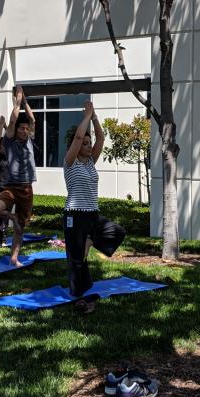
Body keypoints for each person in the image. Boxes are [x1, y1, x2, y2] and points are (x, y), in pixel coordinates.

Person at [62, 100, 125, 313]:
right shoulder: (70, 161)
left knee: (116, 232)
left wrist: (95, 116)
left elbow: (102, 138)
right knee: (77, 260)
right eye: (84, 144)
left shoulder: (90, 162)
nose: (88, 146)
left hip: (92, 215)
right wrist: (86, 116)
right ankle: (79, 297)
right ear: (76, 146)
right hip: (74, 215)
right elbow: (79, 136)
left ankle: (89, 242)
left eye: (89, 144)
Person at [0, 85, 37, 266]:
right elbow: (13, 118)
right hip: (11, 187)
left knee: (21, 228)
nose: (25, 131)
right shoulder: (9, 141)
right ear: (16, 130)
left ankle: (14, 258)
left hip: (26, 188)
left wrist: (24, 100)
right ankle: (12, 218)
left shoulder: (30, 140)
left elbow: (32, 119)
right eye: (21, 128)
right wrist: (16, 101)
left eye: (26, 129)